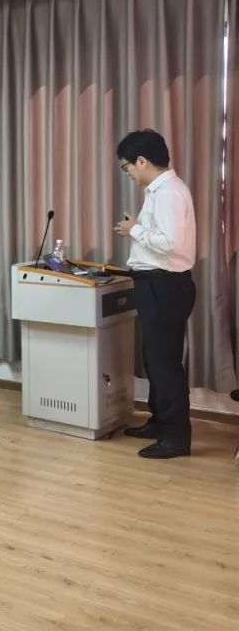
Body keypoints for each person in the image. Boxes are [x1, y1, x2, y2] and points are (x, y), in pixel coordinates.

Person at [113, 129, 197, 459]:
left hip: (165, 286)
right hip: (156, 285)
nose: (128, 173)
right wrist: (137, 227)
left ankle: (176, 438)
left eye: (127, 167)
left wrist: (133, 229)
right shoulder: (158, 190)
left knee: (165, 364)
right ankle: (160, 422)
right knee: (155, 359)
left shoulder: (169, 193)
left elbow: (170, 243)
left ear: (142, 161)